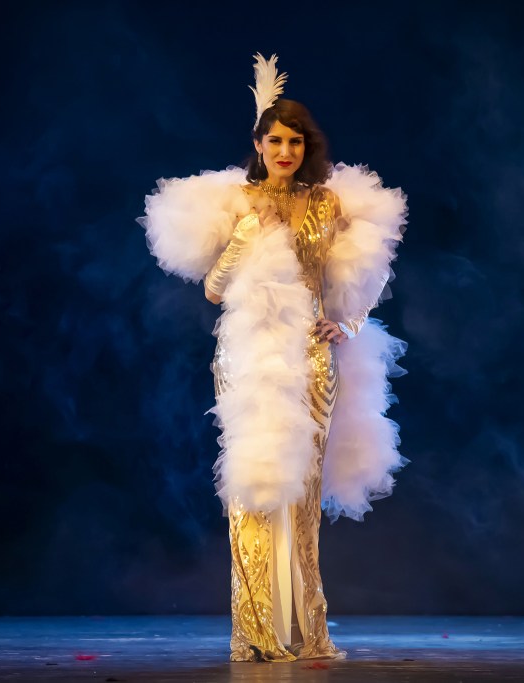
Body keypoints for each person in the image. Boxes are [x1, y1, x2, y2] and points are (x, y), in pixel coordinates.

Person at [140, 53, 408, 663]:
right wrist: (245, 234)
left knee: (303, 493)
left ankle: (305, 629)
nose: (285, 150)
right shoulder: (238, 202)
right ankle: (257, 631)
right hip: (251, 354)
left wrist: (347, 324)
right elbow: (213, 289)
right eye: (276, 140)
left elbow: (363, 278)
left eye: (295, 141)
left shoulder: (326, 204)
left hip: (311, 357)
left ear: (305, 146)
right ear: (258, 144)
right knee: (256, 483)